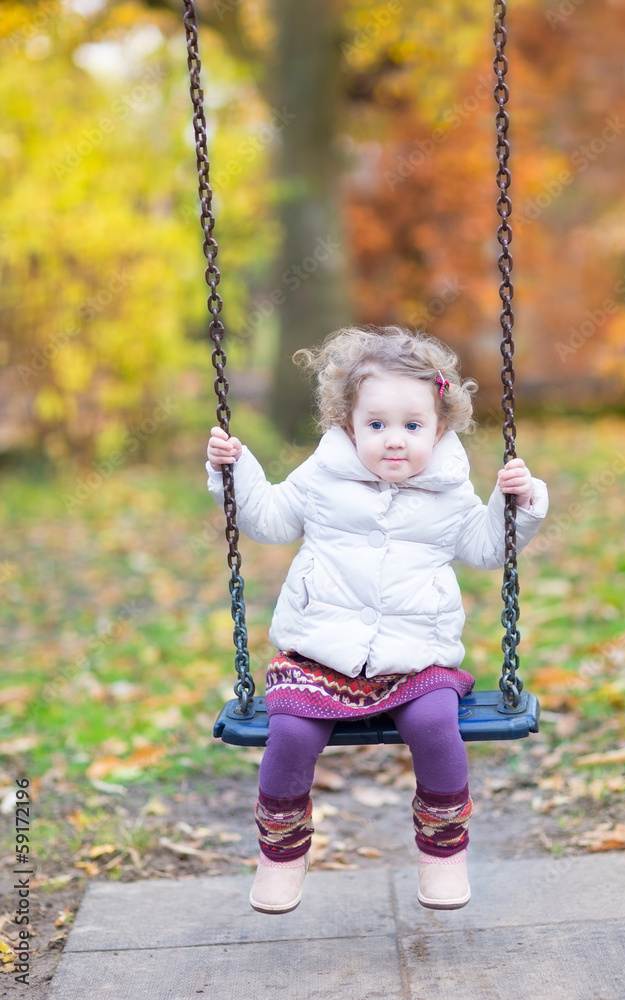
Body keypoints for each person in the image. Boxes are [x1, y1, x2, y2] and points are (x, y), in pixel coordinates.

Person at [206, 325, 548, 915]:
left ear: (440, 428)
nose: (395, 440)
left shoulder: (449, 493)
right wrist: (237, 472)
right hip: (318, 655)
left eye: (413, 426)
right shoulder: (320, 480)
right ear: (348, 425)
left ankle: (444, 853)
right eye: (377, 424)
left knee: (437, 727)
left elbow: (490, 547)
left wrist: (516, 504)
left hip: (416, 658)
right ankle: (282, 856)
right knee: (288, 735)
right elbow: (268, 521)